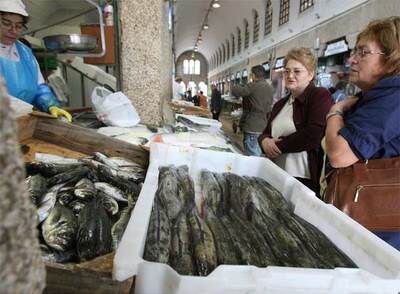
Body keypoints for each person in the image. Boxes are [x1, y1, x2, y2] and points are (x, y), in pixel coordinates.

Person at [325, 16, 400, 249]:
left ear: (391, 59)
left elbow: (339, 154)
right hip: (367, 219)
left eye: (363, 53)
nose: (352, 60)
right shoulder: (374, 96)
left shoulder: (393, 98)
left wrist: (335, 111)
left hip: (378, 230)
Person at [259, 48, 333, 194]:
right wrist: (264, 142)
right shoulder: (281, 104)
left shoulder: (319, 96)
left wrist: (277, 147)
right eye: (286, 71)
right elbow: (265, 132)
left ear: (311, 74)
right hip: (276, 171)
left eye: (297, 71)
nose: (290, 75)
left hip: (302, 179)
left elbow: (313, 135)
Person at [0, 0, 71, 122]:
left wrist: (50, 104)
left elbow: (39, 87)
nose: (13, 30)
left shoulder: (25, 53)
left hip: (22, 122)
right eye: (6, 23)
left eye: (19, 26)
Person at [231, 65, 273, 156]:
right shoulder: (269, 87)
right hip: (264, 125)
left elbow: (237, 91)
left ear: (253, 75)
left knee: (252, 155)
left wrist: (235, 86)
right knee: (258, 152)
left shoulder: (254, 86)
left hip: (252, 126)